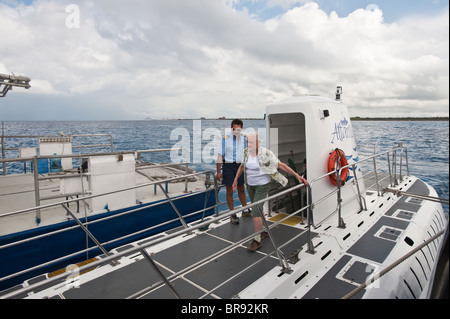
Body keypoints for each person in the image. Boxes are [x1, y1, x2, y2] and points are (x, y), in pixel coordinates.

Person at [232, 133, 308, 251]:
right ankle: (264, 230)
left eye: (251, 142)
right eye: (247, 142)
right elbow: (242, 166)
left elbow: (281, 165)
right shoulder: (246, 152)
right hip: (250, 186)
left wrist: (297, 176)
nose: (248, 144)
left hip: (262, 185)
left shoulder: (266, 153)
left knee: (255, 212)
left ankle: (257, 240)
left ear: (258, 143)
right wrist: (235, 180)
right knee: (259, 207)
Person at [216, 119, 250, 224]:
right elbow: (220, 155)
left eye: (238, 129)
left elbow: (250, 152)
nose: (236, 131)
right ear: (231, 128)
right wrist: (218, 171)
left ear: (241, 129)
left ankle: (245, 210)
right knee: (230, 190)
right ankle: (232, 213)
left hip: (240, 166)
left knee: (241, 188)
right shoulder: (225, 139)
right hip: (228, 167)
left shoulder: (245, 139)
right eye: (234, 129)